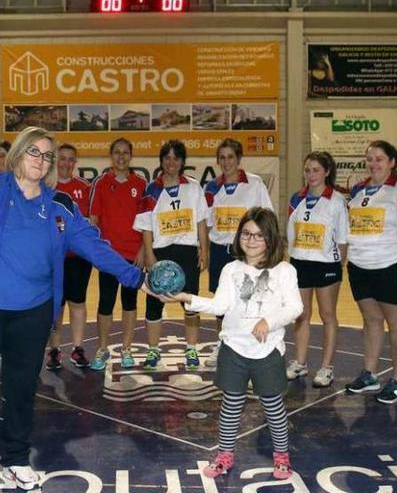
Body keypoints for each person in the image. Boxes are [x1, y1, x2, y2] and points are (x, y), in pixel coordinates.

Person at [0, 126, 145, 493]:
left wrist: (136, 277)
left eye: (47, 156)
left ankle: (15, 460)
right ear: (17, 154)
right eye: (35, 152)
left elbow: (94, 246)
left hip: (33, 314)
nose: (41, 160)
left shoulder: (59, 204)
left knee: (20, 389)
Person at [157, 207, 302, 480]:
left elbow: (295, 307)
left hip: (267, 351)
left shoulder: (285, 271)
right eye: (246, 233)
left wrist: (268, 322)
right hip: (233, 350)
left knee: (273, 407)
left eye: (259, 235)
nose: (251, 240)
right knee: (231, 405)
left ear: (271, 239)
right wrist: (186, 297)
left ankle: (282, 457)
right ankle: (225, 454)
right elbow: (220, 305)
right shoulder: (230, 269)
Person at [344, 141, 397, 404]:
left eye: (380, 159)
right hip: (360, 266)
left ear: (392, 162)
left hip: (390, 265)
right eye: (370, 159)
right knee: (371, 321)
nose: (374, 164)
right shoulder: (358, 191)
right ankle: (369, 374)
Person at [135, 140, 209, 370]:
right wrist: (149, 254)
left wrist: (204, 249)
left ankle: (192, 349)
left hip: (187, 251)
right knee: (154, 303)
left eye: (176, 158)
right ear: (161, 161)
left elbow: (201, 221)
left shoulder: (194, 187)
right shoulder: (152, 189)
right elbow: (146, 225)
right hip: (160, 251)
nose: (171, 162)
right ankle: (153, 350)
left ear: (182, 162)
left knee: (191, 303)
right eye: (167, 158)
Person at [203, 138, 274, 367]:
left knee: (250, 301)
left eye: (230, 157)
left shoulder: (254, 184)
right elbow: (207, 223)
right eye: (221, 158)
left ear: (239, 159)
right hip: (219, 251)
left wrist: (265, 250)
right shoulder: (211, 187)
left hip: (247, 253)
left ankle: (251, 345)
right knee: (221, 303)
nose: (226, 162)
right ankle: (223, 344)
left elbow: (267, 217)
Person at [286, 151, 348, 387]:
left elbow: (342, 239)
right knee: (301, 314)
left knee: (327, 315)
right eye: (307, 170)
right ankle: (300, 363)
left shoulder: (337, 200)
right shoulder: (296, 198)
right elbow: (291, 232)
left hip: (326, 265)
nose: (310, 175)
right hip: (300, 262)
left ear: (327, 172)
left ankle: (326, 367)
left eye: (316, 170)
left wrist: (337, 265)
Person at [88, 138, 147, 370]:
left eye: (125, 153)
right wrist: (98, 254)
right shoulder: (100, 183)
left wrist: (143, 250)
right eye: (117, 153)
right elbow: (93, 221)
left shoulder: (141, 184)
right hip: (109, 257)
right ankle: (102, 349)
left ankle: (126, 348)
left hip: (134, 255)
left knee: (130, 303)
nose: (121, 157)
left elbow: (147, 222)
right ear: (110, 156)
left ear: (131, 156)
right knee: (105, 303)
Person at [45, 143, 93, 370]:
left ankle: (77, 347)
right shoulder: (45, 186)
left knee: (77, 301)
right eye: (62, 158)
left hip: (78, 257)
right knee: (57, 303)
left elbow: (90, 222)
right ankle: (54, 349)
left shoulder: (84, 188)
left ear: (75, 162)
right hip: (52, 256)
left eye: (70, 159)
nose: (66, 163)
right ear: (55, 161)